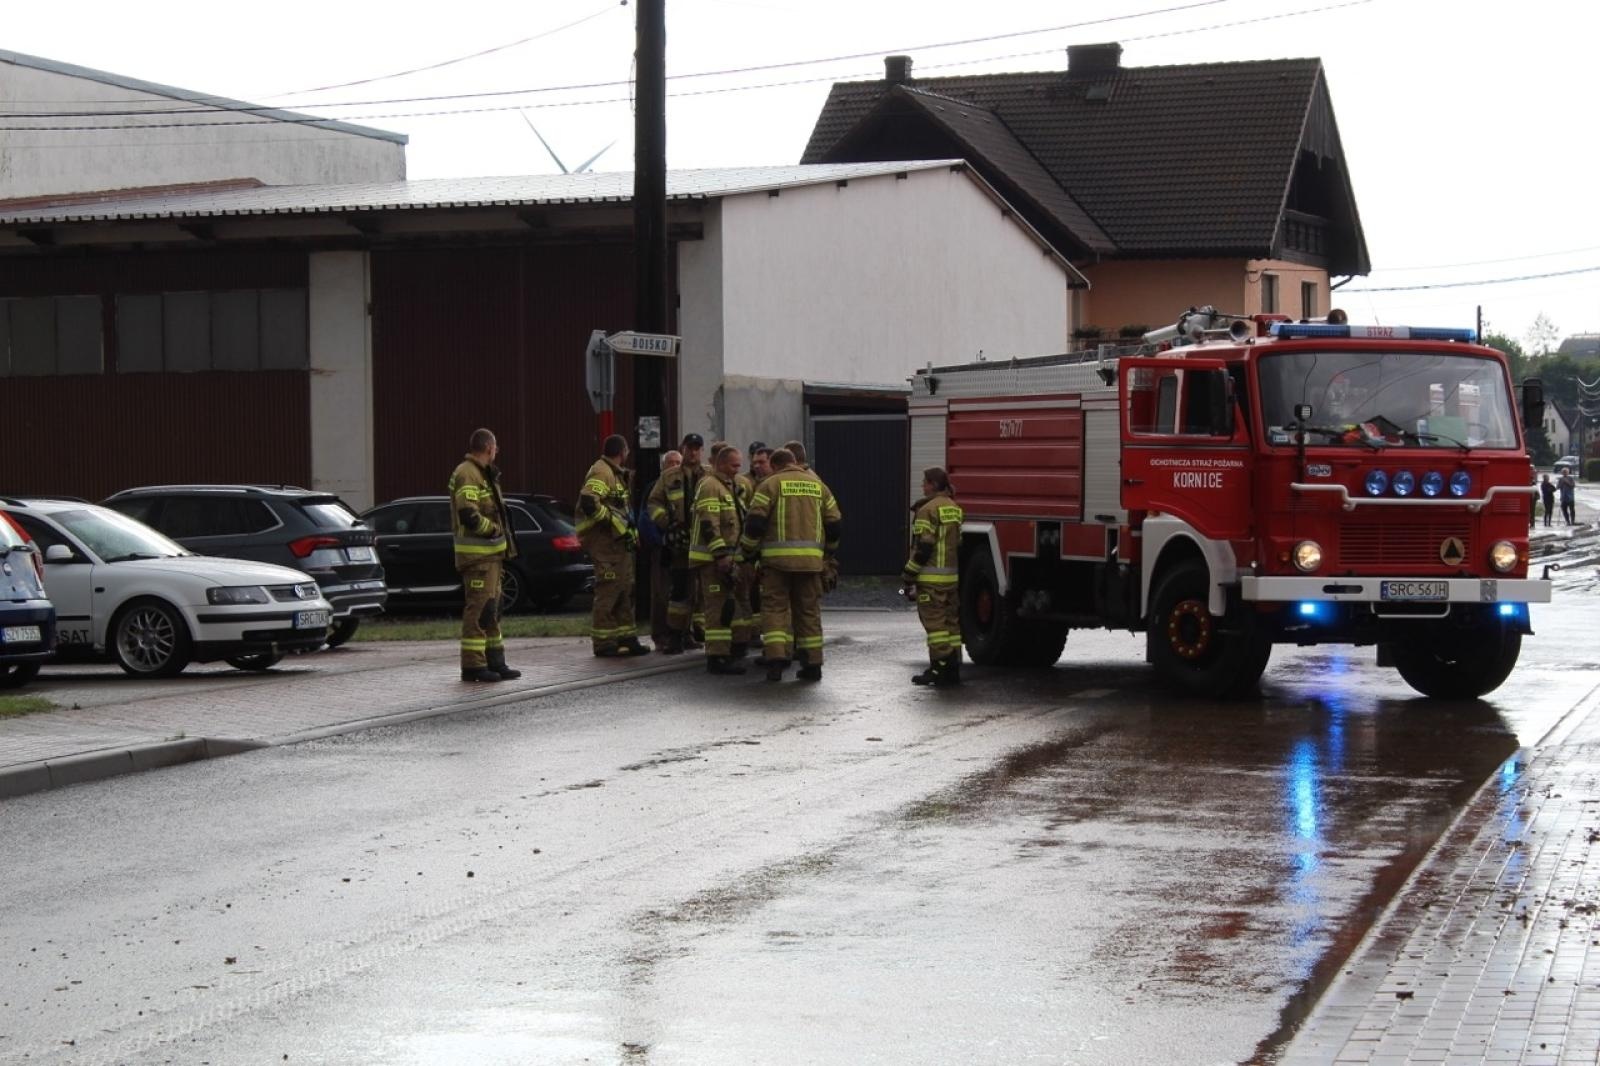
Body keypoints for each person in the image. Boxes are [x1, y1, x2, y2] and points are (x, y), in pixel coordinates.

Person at [740, 447, 842, 682]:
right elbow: (835, 523)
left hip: (777, 564)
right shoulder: (818, 485)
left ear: (774, 465)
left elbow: (755, 523)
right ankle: (813, 665)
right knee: (808, 612)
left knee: (775, 610)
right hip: (811, 564)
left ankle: (776, 662)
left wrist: (746, 551)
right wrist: (828, 554)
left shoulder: (769, 484)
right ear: (794, 462)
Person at [448, 428, 522, 682]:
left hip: (491, 558)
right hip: (477, 558)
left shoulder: (484, 474)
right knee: (479, 610)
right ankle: (473, 666)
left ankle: (495, 662)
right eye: (496, 447)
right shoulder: (467, 474)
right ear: (489, 447)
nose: (497, 452)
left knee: (493, 609)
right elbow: (468, 514)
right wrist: (493, 530)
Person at [577, 434, 647, 657]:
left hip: (617, 545)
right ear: (623, 452)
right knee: (608, 592)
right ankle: (604, 643)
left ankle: (627, 638)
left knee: (624, 590)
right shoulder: (602, 471)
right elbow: (589, 501)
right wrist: (611, 521)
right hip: (604, 544)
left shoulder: (615, 474)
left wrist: (629, 530)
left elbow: (622, 508)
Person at [689, 443, 750, 674]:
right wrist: (721, 556)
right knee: (715, 609)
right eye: (735, 465)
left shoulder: (728, 486)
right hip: (712, 560)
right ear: (722, 464)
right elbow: (709, 523)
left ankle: (724, 653)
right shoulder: (710, 486)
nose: (738, 469)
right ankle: (717, 657)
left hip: (725, 559)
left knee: (724, 606)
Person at [903, 467, 964, 687]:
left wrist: (908, 574)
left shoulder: (927, 510)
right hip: (951, 580)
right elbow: (958, 544)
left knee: (935, 626)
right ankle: (954, 668)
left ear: (933, 485)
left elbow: (924, 547)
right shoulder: (954, 508)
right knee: (951, 625)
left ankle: (940, 667)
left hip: (931, 581)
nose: (922, 486)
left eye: (925, 482)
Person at [648, 433, 706, 653]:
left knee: (699, 593)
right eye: (689, 448)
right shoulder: (668, 477)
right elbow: (653, 503)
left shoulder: (710, 475)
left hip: (705, 543)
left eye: (697, 448)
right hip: (681, 545)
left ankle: (690, 633)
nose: (693, 452)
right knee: (679, 591)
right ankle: (675, 636)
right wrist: (667, 523)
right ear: (683, 449)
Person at [644, 450, 682, 650]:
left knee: (682, 594)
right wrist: (660, 541)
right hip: (663, 548)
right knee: (660, 593)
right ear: (663, 466)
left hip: (682, 548)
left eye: (678, 462)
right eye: (670, 462)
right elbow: (646, 518)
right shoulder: (654, 488)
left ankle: (681, 633)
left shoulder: (684, 484)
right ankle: (660, 635)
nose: (674, 465)